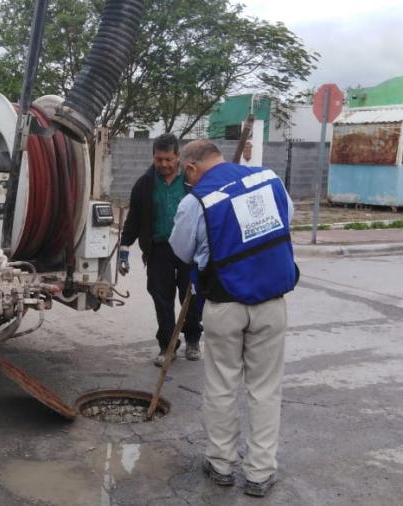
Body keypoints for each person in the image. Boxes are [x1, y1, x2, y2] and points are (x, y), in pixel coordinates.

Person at [169, 140, 297, 498]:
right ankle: (259, 472)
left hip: (224, 304)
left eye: (184, 173)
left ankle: (221, 463)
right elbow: (287, 220)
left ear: (192, 168)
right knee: (265, 389)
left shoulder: (196, 201)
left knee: (223, 385)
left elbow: (181, 250)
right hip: (272, 301)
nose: (185, 179)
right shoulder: (270, 180)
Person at [118, 133, 203, 367]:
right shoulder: (144, 184)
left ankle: (193, 337)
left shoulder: (191, 181)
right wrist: (123, 250)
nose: (163, 164)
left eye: (168, 159)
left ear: (178, 157)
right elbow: (134, 220)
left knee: (192, 296)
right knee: (161, 299)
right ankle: (167, 345)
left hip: (189, 248)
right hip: (158, 250)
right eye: (159, 159)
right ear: (153, 157)